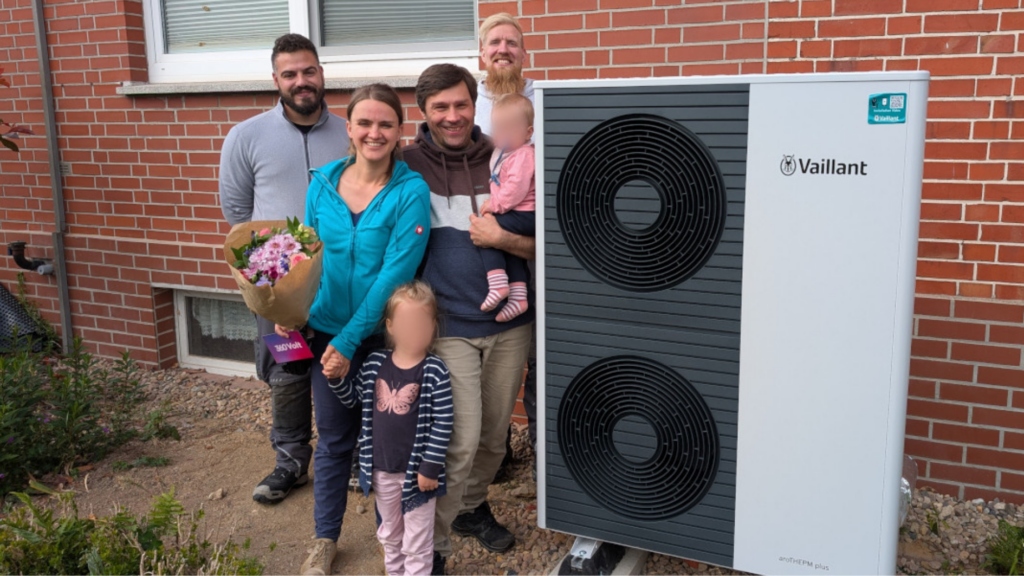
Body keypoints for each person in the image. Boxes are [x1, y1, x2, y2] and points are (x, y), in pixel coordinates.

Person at [283, 83, 432, 576]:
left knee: (393, 446)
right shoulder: (321, 184)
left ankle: (402, 548)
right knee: (334, 441)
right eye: (364, 123)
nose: (375, 132)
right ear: (348, 128)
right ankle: (323, 540)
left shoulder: (410, 192)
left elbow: (395, 273)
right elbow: (305, 257)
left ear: (399, 132)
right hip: (325, 333)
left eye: (385, 124)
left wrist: (349, 342)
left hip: (384, 342)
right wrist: (290, 308)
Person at [404, 63, 535, 576]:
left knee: (494, 437)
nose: (453, 116)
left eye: (461, 104)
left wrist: (503, 240)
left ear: (473, 104)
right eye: (441, 107)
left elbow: (539, 239)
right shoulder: (408, 164)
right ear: (425, 112)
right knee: (457, 441)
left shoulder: (506, 153)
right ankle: (429, 550)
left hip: (511, 323)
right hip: (452, 324)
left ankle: (471, 507)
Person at [218, 33, 349, 506]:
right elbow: (237, 210)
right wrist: (277, 273)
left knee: (342, 364)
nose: (301, 81)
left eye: (308, 71)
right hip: (279, 288)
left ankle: (347, 455)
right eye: (290, 74)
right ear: (275, 79)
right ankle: (290, 461)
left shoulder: (348, 132)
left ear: (321, 73)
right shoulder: (247, 135)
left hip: (341, 280)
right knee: (289, 371)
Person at [331, 281, 453, 576]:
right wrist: (336, 379)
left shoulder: (435, 370)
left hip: (419, 477)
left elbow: (444, 422)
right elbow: (356, 400)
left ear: (433, 326)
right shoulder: (375, 364)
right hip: (382, 470)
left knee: (418, 541)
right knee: (390, 535)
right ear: (390, 326)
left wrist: (430, 467)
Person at [472, 13, 539, 480]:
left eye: (511, 42)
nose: (503, 49)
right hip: (480, 240)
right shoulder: (466, 103)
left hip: (529, 232)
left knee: (539, 358)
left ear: (523, 52)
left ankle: (544, 461)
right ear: (482, 54)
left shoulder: (543, 101)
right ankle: (492, 463)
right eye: (494, 42)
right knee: (484, 360)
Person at [479, 94, 536, 323]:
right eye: (498, 128)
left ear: (528, 133)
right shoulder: (506, 152)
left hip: (525, 214)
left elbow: (515, 189)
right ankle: (519, 297)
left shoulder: (523, 155)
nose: (503, 134)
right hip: (516, 212)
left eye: (510, 129)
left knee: (485, 230)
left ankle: (498, 284)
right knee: (511, 249)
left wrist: (495, 205)